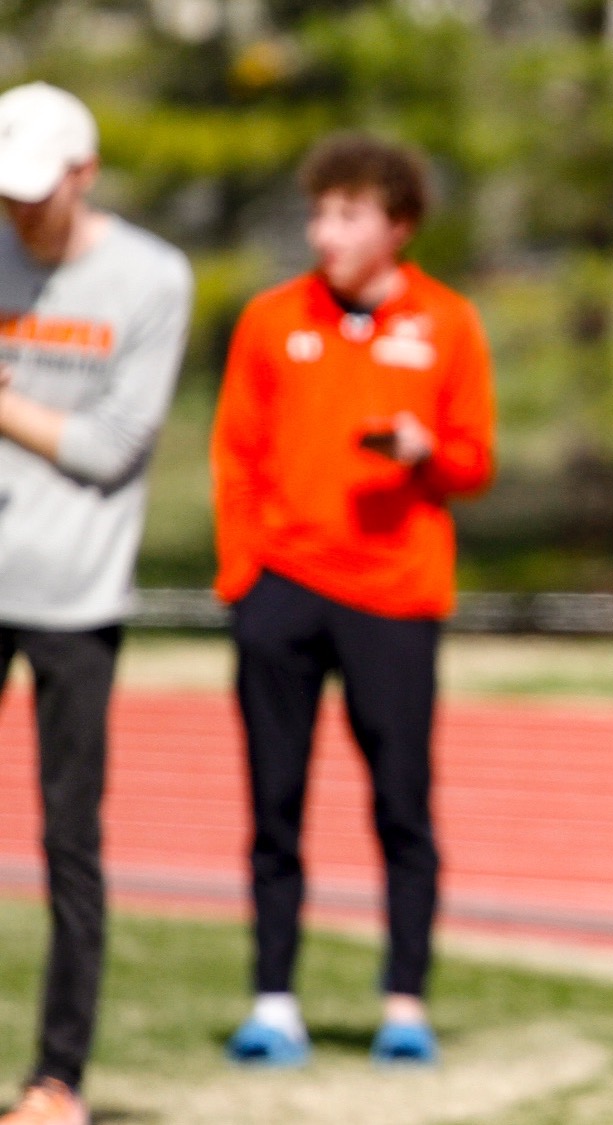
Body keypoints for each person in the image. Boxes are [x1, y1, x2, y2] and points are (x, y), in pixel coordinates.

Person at [210, 132, 495, 1068]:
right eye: (318, 211)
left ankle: (404, 1005)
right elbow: (235, 454)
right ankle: (272, 1001)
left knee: (403, 805)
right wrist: (242, 581)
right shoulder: (267, 319)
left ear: (398, 226)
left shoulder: (448, 322)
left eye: (347, 213)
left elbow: (476, 460)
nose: (324, 231)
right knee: (274, 806)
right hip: (282, 592)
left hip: (395, 597)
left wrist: (428, 452)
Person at [0, 82, 193, 1125]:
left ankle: (55, 1079)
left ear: (84, 175)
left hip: (75, 597)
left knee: (68, 841)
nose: (18, 214)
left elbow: (111, 451)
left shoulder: (150, 278)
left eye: (34, 193)